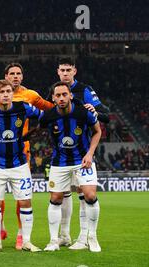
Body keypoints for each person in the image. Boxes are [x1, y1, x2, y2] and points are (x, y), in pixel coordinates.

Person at [0, 62, 54, 249]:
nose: (5, 95)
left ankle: (26, 240)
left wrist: (35, 132)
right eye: (1, 92)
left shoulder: (24, 107)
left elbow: (46, 116)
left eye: (8, 92)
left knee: (25, 201)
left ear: (13, 93)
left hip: (20, 163)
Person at [49, 57, 110, 249]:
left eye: (68, 70)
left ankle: (85, 237)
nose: (65, 73)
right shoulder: (55, 91)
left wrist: (95, 112)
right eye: (62, 70)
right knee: (62, 195)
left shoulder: (84, 90)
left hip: (83, 153)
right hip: (62, 155)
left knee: (85, 194)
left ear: (74, 71)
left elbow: (105, 115)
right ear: (58, 72)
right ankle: (64, 235)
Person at [40, 82, 102, 252]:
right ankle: (54, 240)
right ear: (53, 98)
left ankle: (92, 237)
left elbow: (98, 131)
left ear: (70, 96)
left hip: (82, 160)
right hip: (59, 162)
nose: (61, 98)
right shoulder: (48, 116)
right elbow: (36, 128)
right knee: (56, 198)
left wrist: (90, 153)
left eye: (64, 94)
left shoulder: (84, 113)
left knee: (89, 195)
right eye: (57, 95)